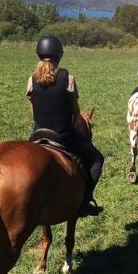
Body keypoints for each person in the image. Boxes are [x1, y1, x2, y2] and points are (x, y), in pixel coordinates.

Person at [26, 34, 103, 217]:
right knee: (97, 160)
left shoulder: (31, 80)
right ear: (59, 54)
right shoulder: (68, 78)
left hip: (37, 133)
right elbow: (75, 112)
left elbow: (33, 110)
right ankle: (85, 201)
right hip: (63, 133)